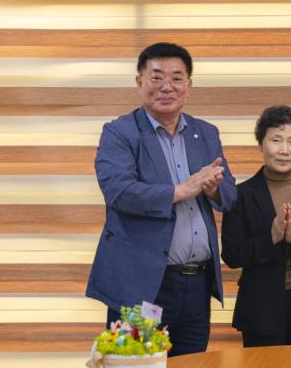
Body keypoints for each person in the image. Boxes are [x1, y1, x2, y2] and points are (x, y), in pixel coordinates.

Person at [86, 42, 237, 356]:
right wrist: (182, 190)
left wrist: (211, 188)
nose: (167, 86)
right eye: (156, 77)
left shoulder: (205, 133)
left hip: (196, 284)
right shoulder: (119, 132)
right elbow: (120, 192)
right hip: (141, 284)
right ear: (139, 82)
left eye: (176, 78)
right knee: (136, 363)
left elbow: (229, 195)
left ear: (189, 86)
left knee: (192, 362)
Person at [221, 105, 291, 347]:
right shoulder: (241, 195)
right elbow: (232, 255)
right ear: (261, 145)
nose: (284, 150)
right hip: (260, 308)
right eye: (276, 140)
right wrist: (271, 238)